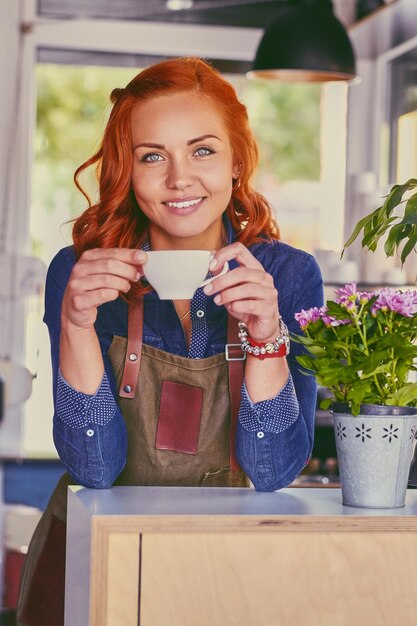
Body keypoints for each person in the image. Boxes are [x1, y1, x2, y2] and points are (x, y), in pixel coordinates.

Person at [17, 57, 323, 625]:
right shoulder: (79, 271)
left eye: (202, 151)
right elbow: (95, 469)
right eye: (152, 156)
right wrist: (76, 326)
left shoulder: (286, 274)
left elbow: (274, 470)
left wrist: (265, 339)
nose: (179, 178)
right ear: (126, 172)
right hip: (97, 553)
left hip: (229, 559)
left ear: (237, 162)